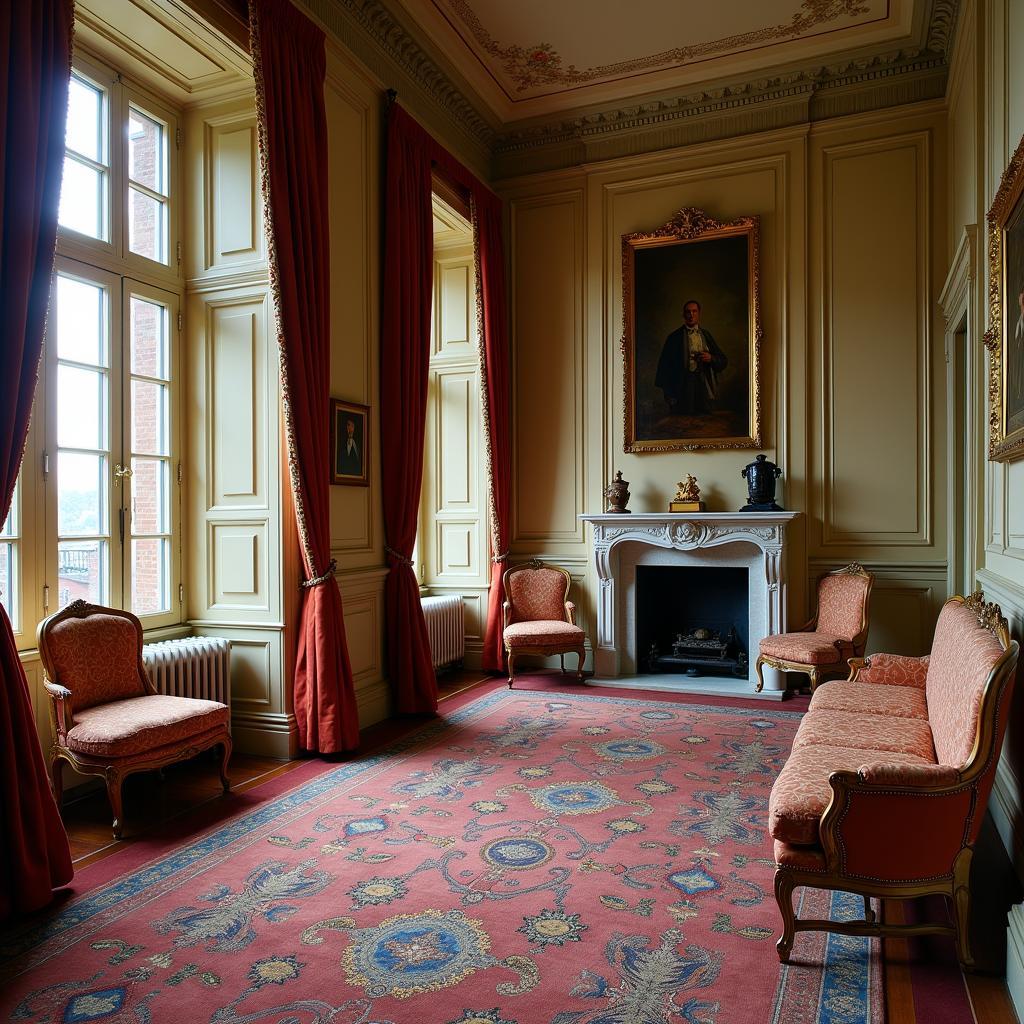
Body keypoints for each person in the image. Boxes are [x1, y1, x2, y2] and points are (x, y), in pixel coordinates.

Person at [654, 299, 728, 415]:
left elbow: (723, 360)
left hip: (703, 386)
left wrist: (711, 358)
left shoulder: (706, 335)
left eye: (694, 311)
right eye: (688, 312)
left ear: (699, 314)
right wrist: (669, 394)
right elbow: (664, 368)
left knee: (704, 422)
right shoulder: (674, 337)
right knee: (683, 421)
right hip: (682, 386)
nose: (691, 315)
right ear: (683, 315)